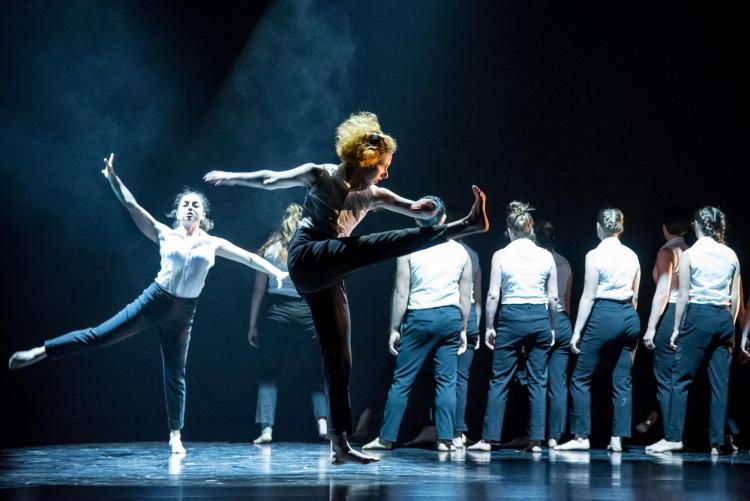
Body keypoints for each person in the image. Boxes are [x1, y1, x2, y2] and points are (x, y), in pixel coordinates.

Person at [204, 111, 489, 463]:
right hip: (308, 256)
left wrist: (428, 209)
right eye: (382, 166)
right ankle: (468, 226)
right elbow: (269, 180)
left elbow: (414, 209)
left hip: (333, 270)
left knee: (340, 356)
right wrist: (231, 177)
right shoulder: (319, 174)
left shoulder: (374, 194)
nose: (386, 172)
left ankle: (339, 443)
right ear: (364, 160)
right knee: (372, 246)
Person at [8, 153, 288, 455]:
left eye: (196, 204)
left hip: (183, 315)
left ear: (204, 214)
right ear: (178, 212)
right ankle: (43, 350)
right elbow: (132, 206)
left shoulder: (213, 244)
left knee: (176, 374)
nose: (190, 207)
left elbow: (248, 257)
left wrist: (276, 271)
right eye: (185, 204)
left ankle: (175, 435)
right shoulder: (164, 233)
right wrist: (113, 178)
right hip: (154, 301)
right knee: (99, 336)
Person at [362, 196, 471, 452]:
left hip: (420, 317)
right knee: (446, 381)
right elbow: (465, 295)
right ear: (444, 219)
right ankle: (445, 439)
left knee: (402, 381)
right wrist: (464, 328)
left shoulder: (409, 247)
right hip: (449, 317)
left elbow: (401, 292)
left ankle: (386, 438)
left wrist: (393, 329)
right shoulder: (460, 251)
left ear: (417, 217)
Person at [647, 207, 741, 455]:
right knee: (720, 384)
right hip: (723, 317)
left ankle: (674, 437)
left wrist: (677, 327)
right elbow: (735, 295)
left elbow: (684, 295)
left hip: (699, 315)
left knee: (680, 379)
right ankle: (717, 441)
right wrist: (729, 323)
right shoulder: (731, 254)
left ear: (698, 226)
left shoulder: (692, 253)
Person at [469, 201, 557, 453]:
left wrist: (488, 326)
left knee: (500, 380)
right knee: (538, 381)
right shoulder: (546, 256)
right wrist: (551, 326)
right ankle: (536, 440)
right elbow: (552, 298)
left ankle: (488, 439)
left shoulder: (501, 255)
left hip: (511, 317)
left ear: (509, 230)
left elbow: (493, 295)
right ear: (531, 229)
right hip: (539, 317)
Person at [555, 208, 640, 452]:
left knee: (580, 377)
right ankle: (618, 438)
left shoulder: (594, 254)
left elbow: (588, 295)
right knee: (622, 379)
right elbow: (635, 293)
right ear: (621, 228)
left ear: (599, 227)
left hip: (605, 313)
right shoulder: (632, 255)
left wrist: (577, 332)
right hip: (629, 315)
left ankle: (581, 437)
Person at [248, 203, 327, 444]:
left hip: (276, 315)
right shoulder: (312, 249)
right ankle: (323, 425)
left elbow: (258, 291)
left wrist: (252, 325)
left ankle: (266, 429)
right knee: (315, 375)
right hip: (307, 313)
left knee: (268, 374)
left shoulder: (268, 250)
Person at [639, 207, 690, 439]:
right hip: (691, 314)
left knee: (665, 377)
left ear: (664, 229)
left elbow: (662, 291)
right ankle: (676, 433)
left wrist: (650, 327)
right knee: (680, 378)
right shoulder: (690, 250)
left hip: (670, 313)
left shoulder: (668, 251)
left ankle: (671, 436)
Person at [534, 220, 574, 448]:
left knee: (537, 380)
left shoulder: (536, 262)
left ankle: (536, 434)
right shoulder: (565, 263)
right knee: (558, 383)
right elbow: (567, 300)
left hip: (541, 321)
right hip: (563, 322)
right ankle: (554, 435)